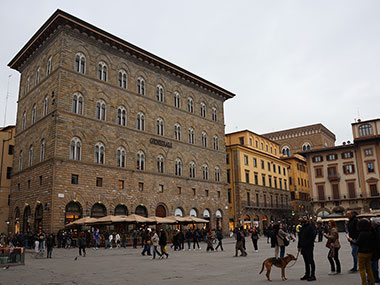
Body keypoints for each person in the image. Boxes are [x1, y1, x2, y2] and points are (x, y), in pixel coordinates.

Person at [348, 218, 376, 285]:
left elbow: (358, 243)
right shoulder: (371, 232)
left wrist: (351, 240)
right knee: (369, 269)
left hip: (362, 253)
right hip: (369, 252)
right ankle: (372, 282)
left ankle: (364, 283)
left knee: (362, 269)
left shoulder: (362, 233)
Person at [298, 216, 317, 281]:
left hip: (309, 246)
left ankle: (313, 275)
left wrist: (308, 243)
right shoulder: (302, 227)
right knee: (306, 261)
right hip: (303, 246)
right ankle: (307, 274)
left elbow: (313, 236)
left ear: (308, 220)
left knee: (311, 260)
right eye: (303, 218)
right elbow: (300, 237)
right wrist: (299, 246)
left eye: (305, 218)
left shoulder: (311, 227)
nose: (304, 219)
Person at [370, 218, 380, 283]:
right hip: (375, 250)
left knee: (373, 265)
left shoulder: (376, 230)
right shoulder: (375, 229)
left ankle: (373, 278)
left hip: (375, 250)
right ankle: (375, 278)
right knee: (374, 265)